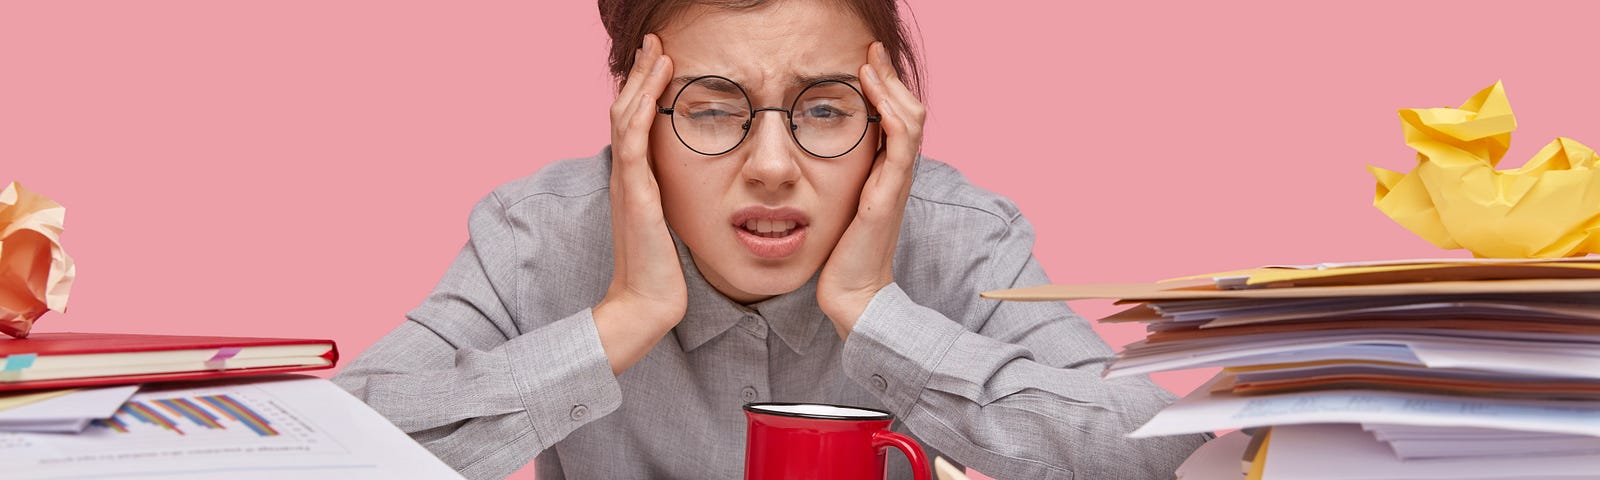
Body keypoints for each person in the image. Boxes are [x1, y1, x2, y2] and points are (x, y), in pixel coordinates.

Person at [332, 0, 1207, 478]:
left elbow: (1163, 455)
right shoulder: (541, 233)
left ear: (886, 124)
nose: (773, 166)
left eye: (825, 109)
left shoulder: (956, 237)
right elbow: (321, 448)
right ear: (635, 123)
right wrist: (621, 320)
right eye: (712, 110)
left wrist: (876, 315)